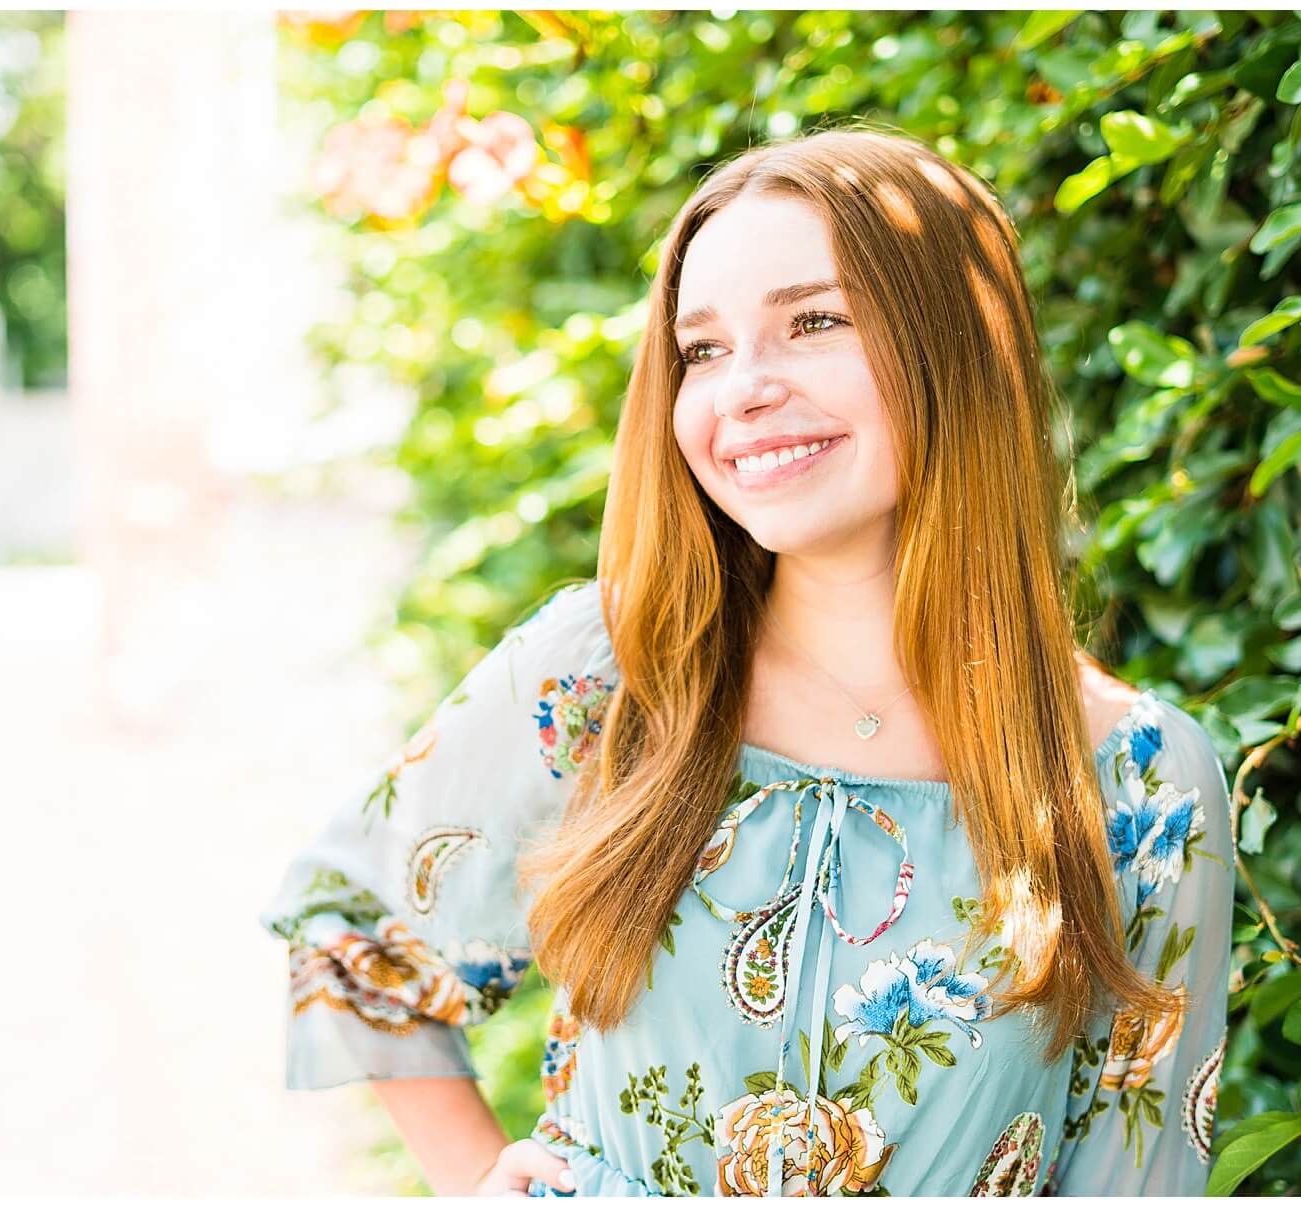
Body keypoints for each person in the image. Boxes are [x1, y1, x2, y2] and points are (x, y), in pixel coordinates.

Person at [259, 126, 1235, 1197]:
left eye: (812, 322)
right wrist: (480, 1179)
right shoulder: (614, 670)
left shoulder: (1141, 782)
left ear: (954, 347)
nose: (742, 391)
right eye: (704, 350)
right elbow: (350, 918)